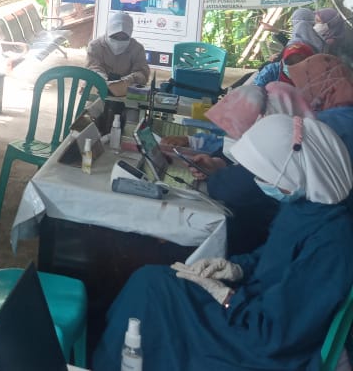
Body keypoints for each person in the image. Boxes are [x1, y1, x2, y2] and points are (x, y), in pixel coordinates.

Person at [93, 114, 353, 371]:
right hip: (252, 308)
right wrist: (236, 268)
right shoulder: (302, 207)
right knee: (150, 281)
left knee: (153, 294)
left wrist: (227, 297)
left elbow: (277, 334)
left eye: (265, 176)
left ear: (295, 171)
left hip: (258, 341)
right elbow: (271, 258)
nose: (260, 182)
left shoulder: (332, 241)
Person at [180, 83, 315, 254]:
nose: (236, 137)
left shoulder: (283, 159)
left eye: (243, 130)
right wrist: (217, 163)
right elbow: (233, 152)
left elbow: (231, 188)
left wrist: (216, 174)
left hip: (253, 246)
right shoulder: (286, 140)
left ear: (269, 121)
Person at [86, 11, 150, 97]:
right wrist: (104, 80)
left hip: (126, 94)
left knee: (131, 107)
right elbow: (92, 68)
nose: (118, 41)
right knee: (93, 105)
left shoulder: (137, 48)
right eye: (115, 36)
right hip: (98, 91)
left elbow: (142, 73)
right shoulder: (95, 46)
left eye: (123, 38)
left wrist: (127, 80)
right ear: (108, 31)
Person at [251, 41, 316, 87]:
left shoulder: (314, 79)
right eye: (289, 62)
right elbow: (256, 90)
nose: (292, 67)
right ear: (282, 60)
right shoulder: (271, 71)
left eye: (299, 63)